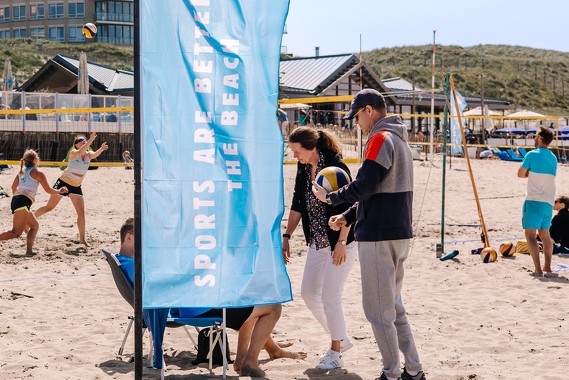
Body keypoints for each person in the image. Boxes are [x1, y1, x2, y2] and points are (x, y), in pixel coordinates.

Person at [312, 89, 425, 380]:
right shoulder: (399, 138)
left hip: (379, 235)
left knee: (378, 311)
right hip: (399, 231)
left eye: (357, 116)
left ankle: (391, 374)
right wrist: (348, 215)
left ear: (370, 110)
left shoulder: (379, 138)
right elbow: (377, 189)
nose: (356, 123)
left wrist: (330, 198)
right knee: (394, 307)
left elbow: (365, 185)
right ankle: (413, 371)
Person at [115, 218, 304, 376]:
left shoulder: (128, 263)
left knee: (251, 302)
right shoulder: (133, 266)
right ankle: (251, 363)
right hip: (197, 306)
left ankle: (248, 359)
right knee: (273, 307)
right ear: (129, 237)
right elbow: (159, 285)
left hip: (191, 301)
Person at [282, 126, 356, 371]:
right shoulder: (304, 170)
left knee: (330, 295)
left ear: (311, 148)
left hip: (341, 242)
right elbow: (297, 204)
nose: (294, 156)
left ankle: (335, 351)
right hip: (317, 241)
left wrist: (342, 243)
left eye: (297, 151)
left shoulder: (336, 168)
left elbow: (350, 205)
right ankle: (341, 337)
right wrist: (287, 235)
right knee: (309, 293)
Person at [0, 149, 67, 255]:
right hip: (22, 202)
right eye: (37, 157)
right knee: (15, 233)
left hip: (18, 200)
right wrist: (59, 191)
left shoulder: (22, 171)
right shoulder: (38, 173)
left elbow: (13, 186)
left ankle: (29, 251)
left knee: (34, 226)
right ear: (34, 160)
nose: (38, 158)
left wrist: (17, 199)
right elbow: (48, 190)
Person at [34, 132, 107, 247]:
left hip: (76, 186)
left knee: (81, 213)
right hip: (63, 183)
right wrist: (91, 140)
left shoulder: (88, 155)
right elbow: (81, 151)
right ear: (76, 144)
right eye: (81, 141)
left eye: (85, 140)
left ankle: (82, 240)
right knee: (49, 207)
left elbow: (95, 154)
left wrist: (101, 149)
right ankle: (30, 220)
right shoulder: (74, 153)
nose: (84, 141)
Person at [517, 126, 558, 275]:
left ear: (540, 138)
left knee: (530, 235)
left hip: (534, 199)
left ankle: (538, 269)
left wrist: (529, 173)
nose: (534, 137)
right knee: (545, 234)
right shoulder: (553, 157)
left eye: (535, 135)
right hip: (548, 200)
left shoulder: (532, 154)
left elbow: (520, 174)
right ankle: (547, 266)